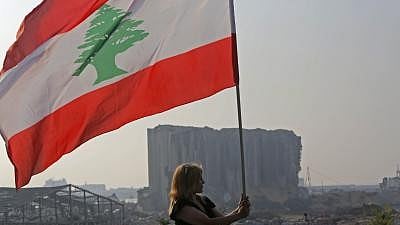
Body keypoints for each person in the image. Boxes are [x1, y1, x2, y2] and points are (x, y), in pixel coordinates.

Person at [169, 163, 250, 225]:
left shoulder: (203, 200)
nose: (203, 182)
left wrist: (239, 209)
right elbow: (208, 223)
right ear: (190, 182)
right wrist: (239, 215)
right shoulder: (181, 206)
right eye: (200, 179)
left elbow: (222, 219)